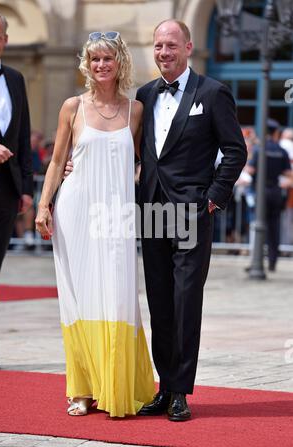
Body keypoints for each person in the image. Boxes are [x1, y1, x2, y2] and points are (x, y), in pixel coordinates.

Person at [35, 31, 155, 417]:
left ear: (120, 61)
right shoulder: (72, 107)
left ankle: (118, 384)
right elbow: (57, 161)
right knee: (79, 298)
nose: (101, 65)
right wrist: (43, 206)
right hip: (75, 211)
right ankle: (82, 389)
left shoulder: (135, 110)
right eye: (95, 59)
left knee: (119, 297)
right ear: (87, 64)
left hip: (116, 216)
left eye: (108, 58)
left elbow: (144, 163)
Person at [135, 19, 247, 421]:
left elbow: (235, 151)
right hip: (151, 210)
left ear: (188, 47)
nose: (163, 52)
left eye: (170, 45)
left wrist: (213, 199)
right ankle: (164, 388)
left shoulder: (213, 93)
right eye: (158, 46)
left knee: (185, 302)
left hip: (192, 211)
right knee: (160, 301)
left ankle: (181, 390)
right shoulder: (144, 94)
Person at [0, 11, 33, 370]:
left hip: (6, 191)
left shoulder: (16, 79)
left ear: (5, 40)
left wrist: (27, 187)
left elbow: (22, 134)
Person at [246, 119, 293, 271]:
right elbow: (288, 173)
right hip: (276, 191)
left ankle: (256, 260)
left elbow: (251, 171)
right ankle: (272, 261)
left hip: (261, 191)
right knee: (274, 227)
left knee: (258, 225)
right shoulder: (282, 151)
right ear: (276, 133)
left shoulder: (260, 150)